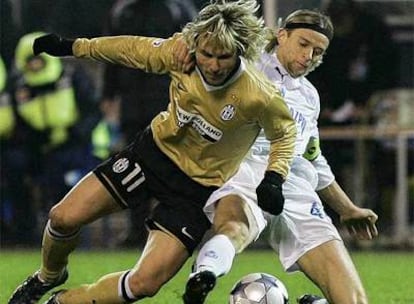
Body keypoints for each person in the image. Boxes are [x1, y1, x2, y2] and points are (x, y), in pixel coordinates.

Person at [8, 1, 296, 303]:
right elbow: (130, 48)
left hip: (196, 190)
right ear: (196, 44)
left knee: (143, 285)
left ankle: (63, 301)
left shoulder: (257, 95)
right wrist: (72, 46)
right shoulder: (180, 53)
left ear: (239, 52)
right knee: (62, 217)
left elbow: (285, 134)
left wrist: (275, 177)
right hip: (150, 157)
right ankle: (48, 276)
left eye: (222, 57)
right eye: (206, 54)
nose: (212, 65)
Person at [176, 9, 378, 304]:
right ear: (282, 35)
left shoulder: (309, 97)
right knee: (235, 226)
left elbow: (313, 158)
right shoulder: (244, 66)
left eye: (318, 51)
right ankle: (204, 273)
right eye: (303, 44)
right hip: (245, 166)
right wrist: (183, 44)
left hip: (295, 185)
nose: (309, 56)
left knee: (354, 300)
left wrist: (346, 208)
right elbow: (208, 43)